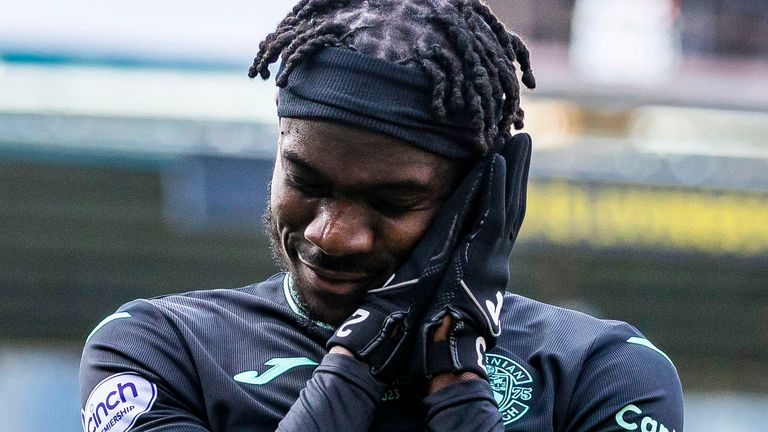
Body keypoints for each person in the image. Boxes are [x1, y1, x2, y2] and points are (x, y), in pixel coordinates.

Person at [79, 1, 684, 431]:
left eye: (392, 202)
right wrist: (367, 351)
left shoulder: (603, 373)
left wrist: (455, 377)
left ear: (476, 199)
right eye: (305, 181)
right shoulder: (155, 349)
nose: (331, 234)